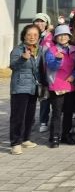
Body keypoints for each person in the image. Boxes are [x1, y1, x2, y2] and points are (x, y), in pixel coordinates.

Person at [9, 24, 43, 155]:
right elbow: (13, 66)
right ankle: (15, 143)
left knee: (30, 115)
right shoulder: (18, 50)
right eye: (29, 34)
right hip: (20, 88)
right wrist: (22, 59)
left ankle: (25, 139)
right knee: (18, 116)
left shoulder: (38, 50)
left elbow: (40, 69)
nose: (32, 37)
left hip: (33, 87)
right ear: (24, 36)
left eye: (35, 35)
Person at [45, 24, 75, 148]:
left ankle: (66, 135)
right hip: (57, 84)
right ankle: (54, 137)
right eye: (60, 35)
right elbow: (51, 66)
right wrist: (58, 59)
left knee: (68, 112)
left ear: (69, 36)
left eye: (65, 35)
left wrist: (74, 75)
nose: (63, 37)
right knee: (57, 112)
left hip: (70, 84)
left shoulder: (74, 49)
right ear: (55, 37)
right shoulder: (51, 50)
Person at [34, 12, 53, 134]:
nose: (39, 23)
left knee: (48, 97)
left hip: (49, 71)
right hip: (37, 71)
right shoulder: (33, 36)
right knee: (42, 97)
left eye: (42, 21)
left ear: (47, 23)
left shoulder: (51, 36)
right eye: (37, 21)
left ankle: (44, 121)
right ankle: (42, 120)